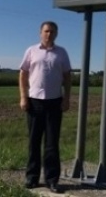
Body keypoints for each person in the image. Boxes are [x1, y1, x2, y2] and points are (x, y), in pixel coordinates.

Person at [19, 21, 71, 193]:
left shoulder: (61, 53)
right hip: (34, 102)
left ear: (56, 34)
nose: (49, 34)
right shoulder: (31, 51)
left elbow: (67, 77)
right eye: (46, 31)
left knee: (52, 143)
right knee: (34, 142)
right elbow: (23, 74)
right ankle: (32, 177)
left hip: (55, 102)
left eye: (52, 32)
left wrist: (66, 99)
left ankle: (52, 180)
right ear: (40, 32)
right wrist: (23, 97)